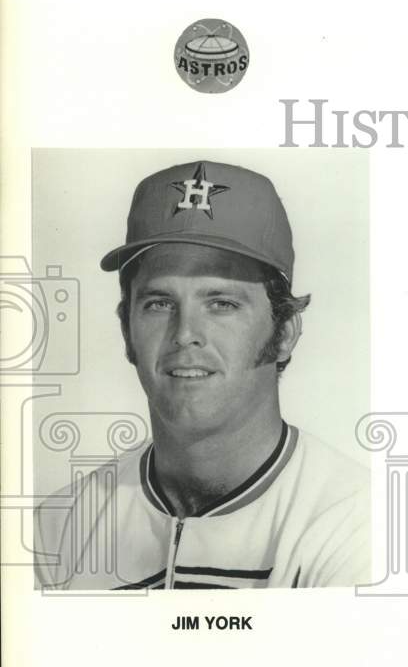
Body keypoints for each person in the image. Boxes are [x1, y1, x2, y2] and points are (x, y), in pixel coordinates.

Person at [34, 160, 369, 589]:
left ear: (284, 332)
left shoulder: (357, 523)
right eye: (158, 303)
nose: (185, 334)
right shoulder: (58, 532)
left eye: (222, 303)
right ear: (126, 331)